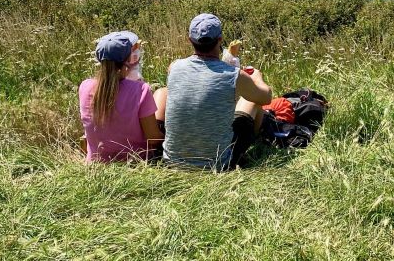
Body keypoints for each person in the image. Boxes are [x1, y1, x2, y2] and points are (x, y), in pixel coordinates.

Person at [156, 13, 272, 170]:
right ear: (220, 39)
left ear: (190, 39)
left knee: (163, 91)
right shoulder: (235, 75)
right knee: (251, 100)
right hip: (217, 165)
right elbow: (266, 98)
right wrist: (258, 78)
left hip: (173, 161)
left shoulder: (174, 67)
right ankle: (254, 141)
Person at [79, 32, 164, 162]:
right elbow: (153, 139)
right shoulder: (140, 89)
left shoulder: (85, 87)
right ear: (128, 59)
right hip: (135, 163)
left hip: (97, 164)